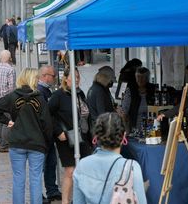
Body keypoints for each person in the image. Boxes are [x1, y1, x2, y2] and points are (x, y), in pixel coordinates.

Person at [0, 68, 53, 204]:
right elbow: (47, 124)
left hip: (17, 142)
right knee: (35, 180)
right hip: (37, 143)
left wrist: (7, 121)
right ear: (32, 79)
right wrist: (47, 143)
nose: (37, 80)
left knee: (18, 179)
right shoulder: (40, 99)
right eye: (36, 78)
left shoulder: (13, 96)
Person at [73, 112, 147, 204]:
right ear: (123, 136)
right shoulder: (131, 167)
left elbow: (78, 201)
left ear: (96, 136)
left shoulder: (82, 165)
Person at [48, 67, 93, 204]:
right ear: (65, 79)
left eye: (78, 77)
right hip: (66, 138)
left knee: (85, 169)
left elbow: (86, 115)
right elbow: (48, 114)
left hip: (83, 137)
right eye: (74, 77)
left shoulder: (80, 94)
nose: (77, 79)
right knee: (70, 170)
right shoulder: (58, 95)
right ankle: (65, 201)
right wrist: (58, 131)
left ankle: (81, 199)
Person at [37, 66, 62, 202]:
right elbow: (46, 115)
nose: (54, 78)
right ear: (45, 75)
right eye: (53, 76)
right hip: (43, 135)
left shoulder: (46, 90)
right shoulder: (40, 92)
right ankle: (39, 193)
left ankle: (52, 190)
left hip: (49, 135)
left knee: (51, 163)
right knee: (42, 165)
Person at [0, 50, 16, 152]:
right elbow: (12, 87)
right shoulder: (10, 69)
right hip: (6, 98)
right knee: (7, 121)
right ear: (9, 58)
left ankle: (0, 142)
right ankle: (4, 144)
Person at [121, 67, 156, 134]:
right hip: (135, 127)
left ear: (147, 78)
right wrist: (127, 130)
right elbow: (124, 111)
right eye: (138, 77)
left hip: (152, 126)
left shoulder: (153, 89)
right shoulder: (130, 90)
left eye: (143, 77)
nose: (140, 80)